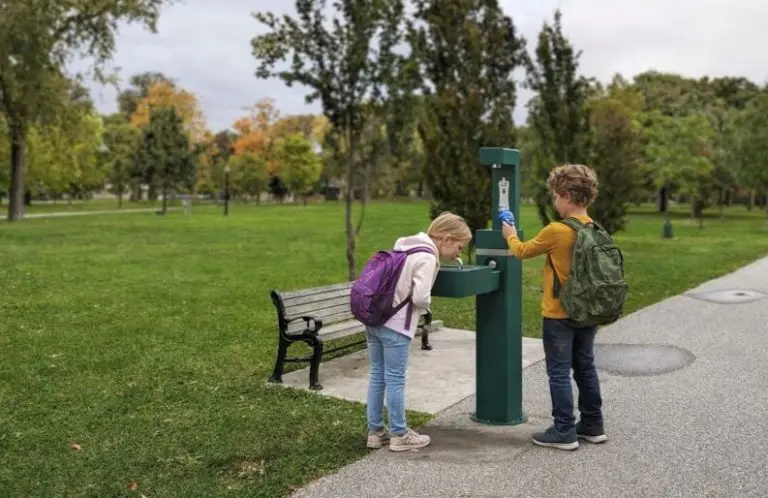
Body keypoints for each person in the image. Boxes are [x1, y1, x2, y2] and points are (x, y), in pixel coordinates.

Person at [502, 164, 608, 451]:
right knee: (585, 367)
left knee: (559, 372)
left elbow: (521, 251)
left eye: (555, 196)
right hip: (587, 312)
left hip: (560, 314)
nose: (554, 201)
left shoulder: (557, 230)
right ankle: (592, 424)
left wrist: (509, 232)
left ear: (565, 195)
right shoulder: (594, 227)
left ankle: (563, 430)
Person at [366, 212, 472, 452]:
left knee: (377, 375)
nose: (459, 253)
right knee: (394, 379)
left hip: (375, 320)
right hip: (396, 325)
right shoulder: (426, 256)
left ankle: (375, 432)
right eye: (459, 246)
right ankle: (399, 434)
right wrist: (426, 306)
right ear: (445, 239)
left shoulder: (405, 246)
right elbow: (420, 296)